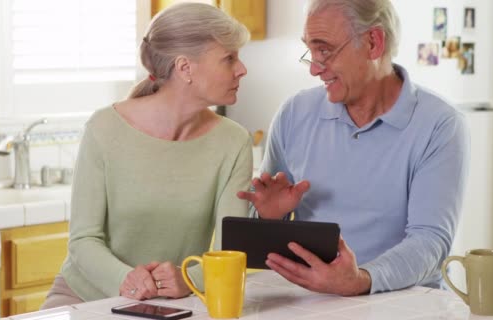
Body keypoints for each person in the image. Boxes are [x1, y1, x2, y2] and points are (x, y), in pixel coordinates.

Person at [237, 0, 469, 296]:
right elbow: (262, 248)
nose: (315, 69)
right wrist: (269, 218)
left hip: (407, 303)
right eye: (311, 51)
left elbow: (430, 242)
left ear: (373, 43)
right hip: (314, 301)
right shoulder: (295, 113)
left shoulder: (440, 124)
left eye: (325, 50)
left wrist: (362, 279)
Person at [41, 2, 252, 308]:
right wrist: (127, 279)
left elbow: (229, 253)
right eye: (229, 58)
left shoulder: (234, 142)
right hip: (84, 297)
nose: (242, 69)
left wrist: (189, 278)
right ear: (184, 68)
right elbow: (83, 241)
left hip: (169, 305)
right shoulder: (104, 128)